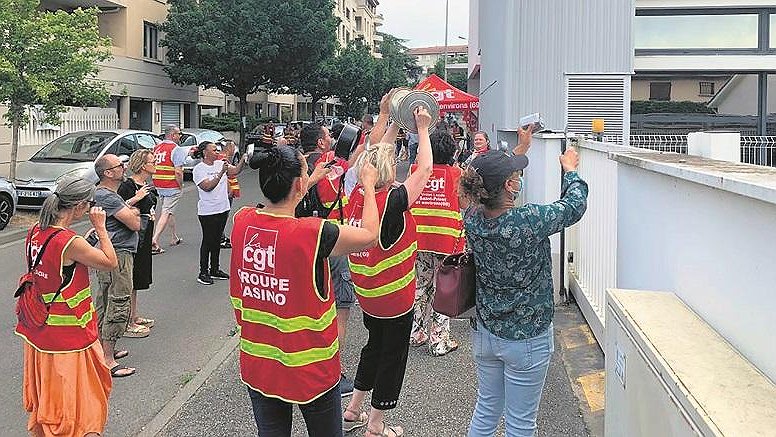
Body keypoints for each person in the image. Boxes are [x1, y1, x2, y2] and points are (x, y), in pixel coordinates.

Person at [230, 145, 380, 437]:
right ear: (299, 185)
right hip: (311, 369)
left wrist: (306, 181)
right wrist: (370, 186)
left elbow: (278, 207)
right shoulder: (313, 233)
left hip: (259, 364)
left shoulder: (242, 221)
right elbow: (370, 236)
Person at [459, 130, 588, 437]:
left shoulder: (473, 217)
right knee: (520, 423)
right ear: (509, 185)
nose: (518, 179)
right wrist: (570, 171)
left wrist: (522, 148)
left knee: (487, 409)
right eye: (515, 175)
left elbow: (491, 187)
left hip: (487, 332)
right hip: (526, 338)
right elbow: (574, 206)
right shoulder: (528, 220)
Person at [343, 100, 435, 437]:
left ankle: (354, 408)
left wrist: (394, 122)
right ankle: (377, 425)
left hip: (367, 294)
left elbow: (375, 152)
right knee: (392, 358)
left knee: (373, 347)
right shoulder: (392, 202)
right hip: (394, 298)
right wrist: (422, 127)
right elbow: (424, 170)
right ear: (388, 171)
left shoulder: (358, 193)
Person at [15, 176, 118, 437]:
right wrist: (102, 229)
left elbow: (55, 262)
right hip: (69, 339)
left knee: (51, 400)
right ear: (80, 206)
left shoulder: (36, 231)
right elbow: (109, 262)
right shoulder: (70, 242)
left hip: (39, 331)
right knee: (81, 405)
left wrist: (81, 242)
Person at [297, 122, 365, 397]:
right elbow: (361, 150)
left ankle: (302, 366)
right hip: (331, 241)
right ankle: (333, 373)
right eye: (328, 136)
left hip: (300, 243)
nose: (332, 139)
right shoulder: (331, 166)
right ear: (322, 143)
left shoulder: (295, 164)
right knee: (340, 309)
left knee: (306, 308)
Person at [408, 129, 462, 357]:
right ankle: (438, 341)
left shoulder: (415, 171)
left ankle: (416, 333)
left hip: (418, 238)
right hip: (447, 240)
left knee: (420, 285)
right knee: (444, 290)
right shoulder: (456, 173)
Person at [94, 154, 142, 377]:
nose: (124, 168)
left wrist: (129, 209)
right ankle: (108, 359)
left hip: (112, 251)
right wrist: (135, 212)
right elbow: (134, 223)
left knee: (105, 298)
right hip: (119, 254)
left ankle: (103, 349)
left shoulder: (107, 195)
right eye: (119, 166)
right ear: (108, 173)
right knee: (118, 301)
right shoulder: (109, 197)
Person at [118, 149, 158, 337]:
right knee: (129, 279)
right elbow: (117, 207)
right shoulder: (128, 185)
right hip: (132, 238)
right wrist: (137, 198)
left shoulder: (148, 185)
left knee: (138, 279)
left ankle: (133, 315)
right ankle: (126, 321)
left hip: (144, 236)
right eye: (153, 161)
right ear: (143, 165)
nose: (156, 163)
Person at [192, 141, 244, 285]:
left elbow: (235, 171)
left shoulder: (221, 163)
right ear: (205, 153)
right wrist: (221, 173)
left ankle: (215, 269)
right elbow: (207, 187)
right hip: (208, 211)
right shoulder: (199, 169)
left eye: (217, 150)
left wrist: (244, 159)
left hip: (223, 208)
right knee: (208, 241)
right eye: (214, 150)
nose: (217, 152)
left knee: (217, 241)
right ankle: (203, 272)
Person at [151, 124, 184, 254]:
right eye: (179, 134)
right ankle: (154, 240)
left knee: (169, 210)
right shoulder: (176, 149)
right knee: (166, 212)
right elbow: (179, 172)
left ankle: (174, 237)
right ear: (172, 135)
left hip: (159, 183)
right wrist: (180, 185)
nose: (180, 136)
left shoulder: (157, 147)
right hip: (171, 185)